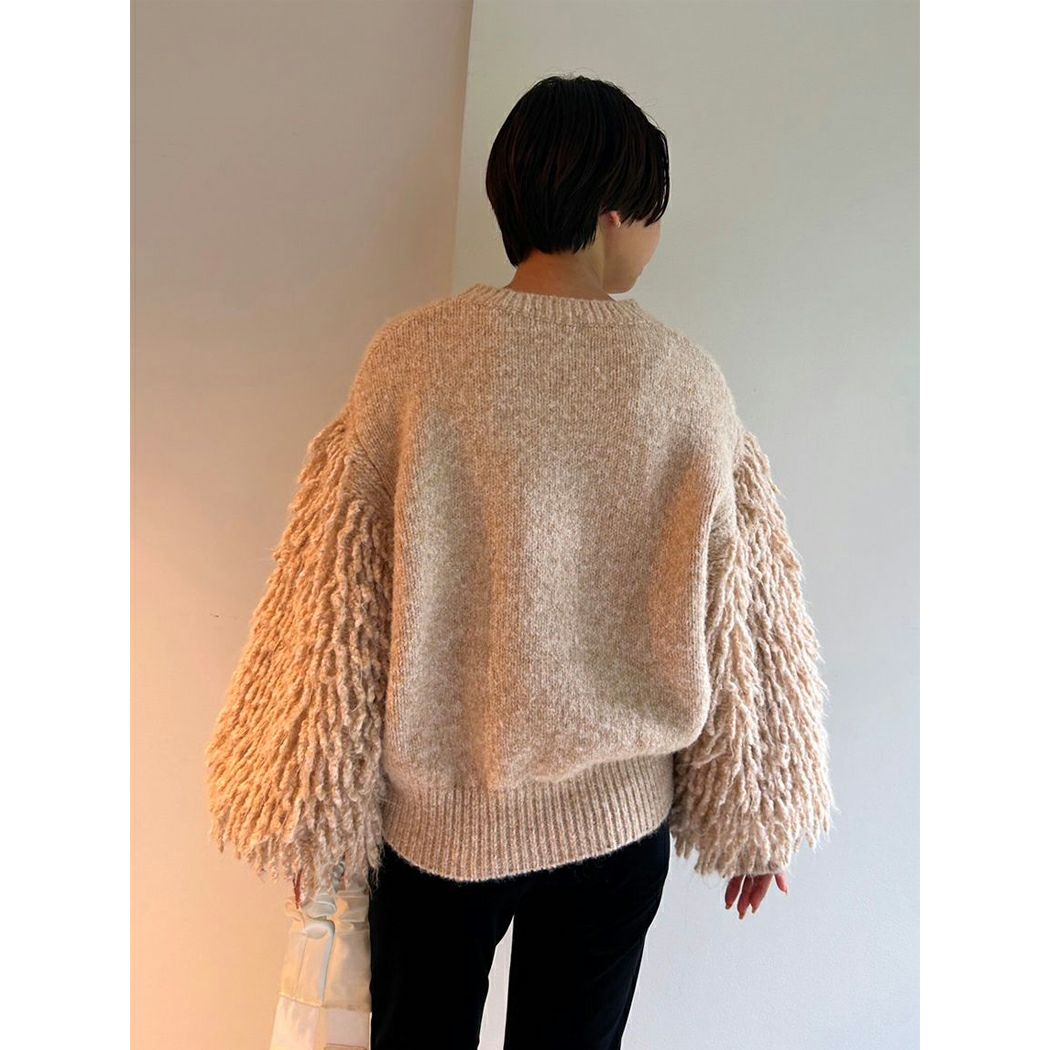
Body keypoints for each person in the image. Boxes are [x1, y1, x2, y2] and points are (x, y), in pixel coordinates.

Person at [205, 73, 835, 1049]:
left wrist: (316, 813)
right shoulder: (686, 386)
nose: (655, 236)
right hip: (615, 826)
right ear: (613, 210)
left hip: (437, 824)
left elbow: (336, 603)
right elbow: (746, 620)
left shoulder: (411, 360)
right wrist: (759, 818)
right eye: (653, 210)